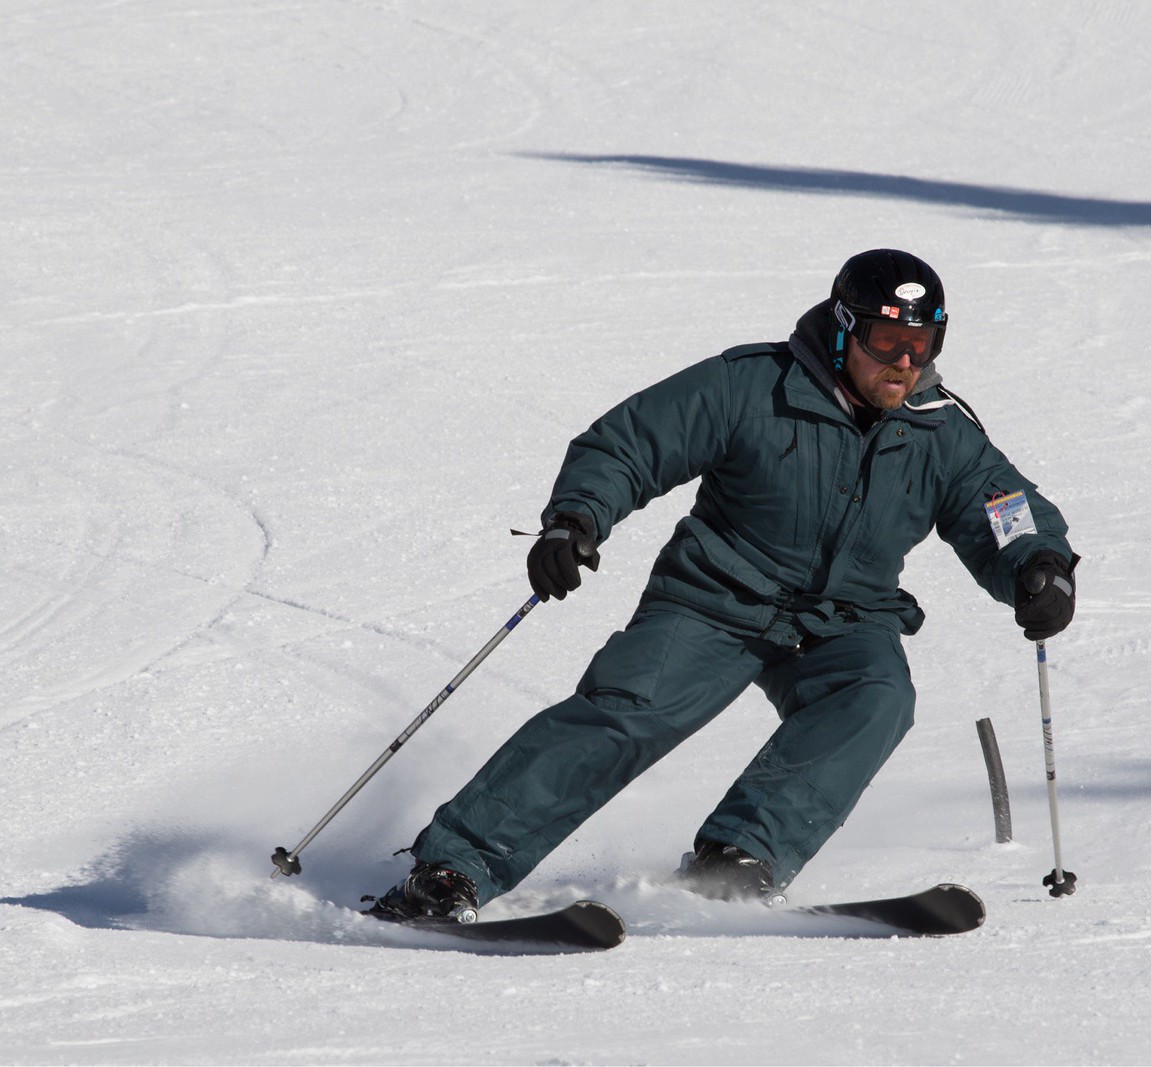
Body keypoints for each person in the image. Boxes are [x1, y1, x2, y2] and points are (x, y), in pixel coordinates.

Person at [366, 249, 1080, 921]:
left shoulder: (939, 432)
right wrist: (575, 519)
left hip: (845, 619)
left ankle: (738, 859)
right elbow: (631, 442)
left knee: (877, 696)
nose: (904, 363)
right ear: (841, 331)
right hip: (714, 600)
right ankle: (453, 868)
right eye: (884, 341)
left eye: (922, 346)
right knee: (629, 710)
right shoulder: (753, 385)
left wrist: (1038, 565)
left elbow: (1004, 510)